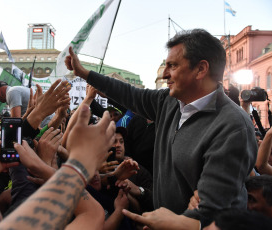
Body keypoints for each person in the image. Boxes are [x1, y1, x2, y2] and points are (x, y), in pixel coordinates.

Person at [65, 29, 257, 229]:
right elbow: (129, 94)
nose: (165, 74)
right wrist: (85, 74)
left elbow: (210, 210)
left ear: (200, 69)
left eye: (172, 66)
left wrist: (169, 225)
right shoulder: (168, 101)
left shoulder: (233, 127)